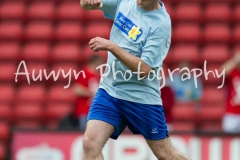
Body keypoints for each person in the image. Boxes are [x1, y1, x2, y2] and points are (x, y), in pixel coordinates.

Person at [80, 0, 189, 160]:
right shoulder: (125, 1)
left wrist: (112, 46)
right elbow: (84, 4)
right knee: (90, 143)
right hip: (110, 91)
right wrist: (88, 1)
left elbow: (144, 69)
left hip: (142, 99)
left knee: (166, 155)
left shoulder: (161, 24)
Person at [72, 54, 103, 131]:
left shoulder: (97, 75)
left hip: (95, 111)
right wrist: (92, 93)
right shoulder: (85, 73)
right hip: (84, 110)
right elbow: (77, 89)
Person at [221, 51, 240, 133]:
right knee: (228, 138)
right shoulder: (233, 73)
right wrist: (234, 60)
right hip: (232, 112)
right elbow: (222, 71)